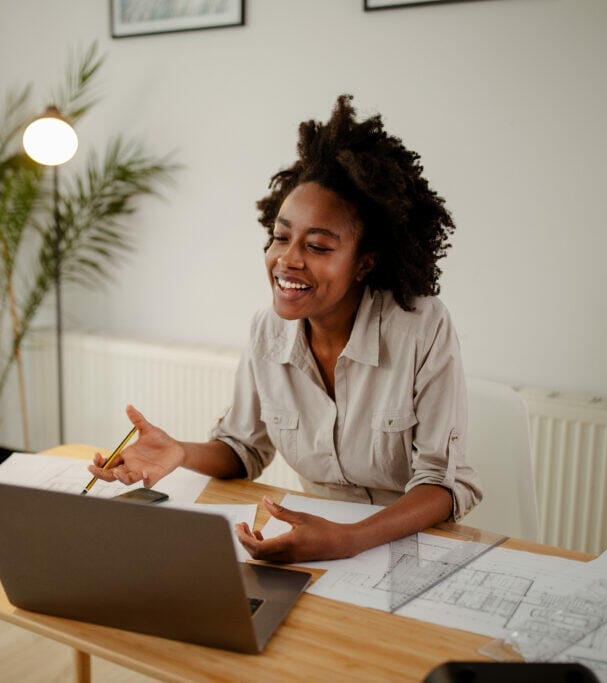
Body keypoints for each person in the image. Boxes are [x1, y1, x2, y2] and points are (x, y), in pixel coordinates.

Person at [87, 94, 482, 563]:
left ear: (365, 262)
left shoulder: (421, 328)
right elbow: (241, 449)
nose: (287, 259)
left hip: (410, 547)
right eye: (280, 237)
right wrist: (178, 453)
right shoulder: (267, 330)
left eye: (317, 246)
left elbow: (440, 482)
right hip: (315, 540)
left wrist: (349, 540)